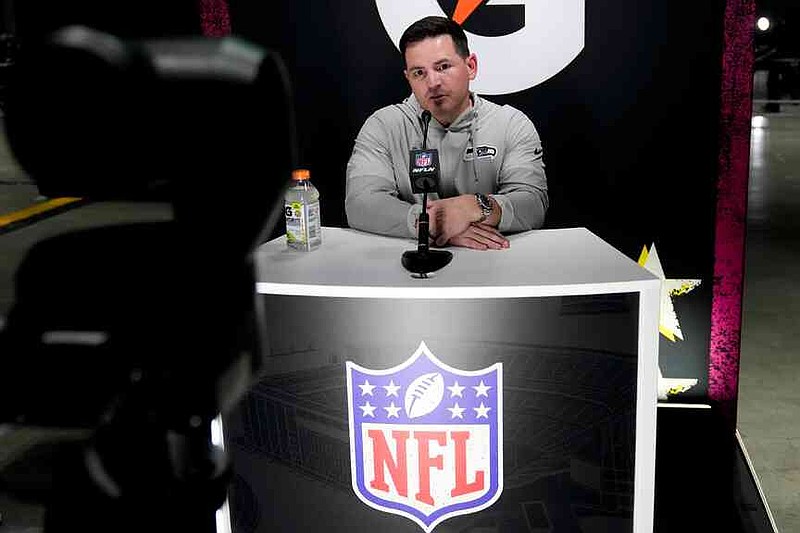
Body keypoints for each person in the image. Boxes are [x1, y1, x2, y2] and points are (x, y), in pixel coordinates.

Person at [345, 16, 548, 250]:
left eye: (443, 67)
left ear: (471, 66)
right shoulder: (383, 125)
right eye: (419, 73)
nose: (432, 82)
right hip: (408, 266)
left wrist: (477, 206)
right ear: (408, 78)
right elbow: (361, 203)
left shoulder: (511, 123)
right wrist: (434, 224)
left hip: (492, 261)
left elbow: (533, 203)